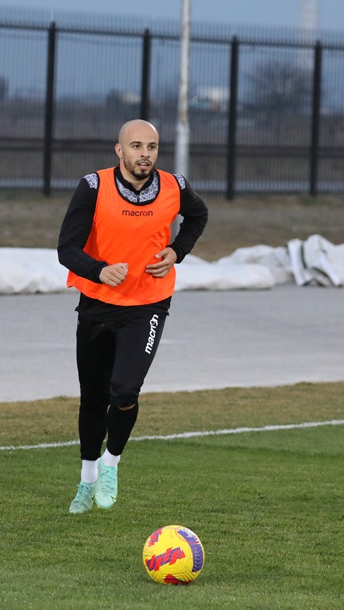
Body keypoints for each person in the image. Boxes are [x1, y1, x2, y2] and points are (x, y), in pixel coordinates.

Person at [57, 119, 208, 514]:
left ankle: (111, 465)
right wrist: (99, 270)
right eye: (137, 146)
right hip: (97, 305)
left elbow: (198, 216)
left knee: (123, 391)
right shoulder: (93, 186)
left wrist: (177, 251)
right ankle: (87, 480)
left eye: (152, 147)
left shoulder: (175, 186)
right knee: (92, 399)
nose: (145, 154)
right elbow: (66, 248)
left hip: (147, 305)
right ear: (119, 151)